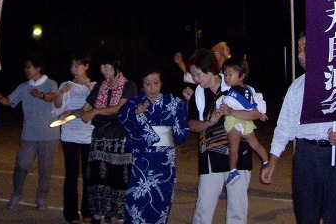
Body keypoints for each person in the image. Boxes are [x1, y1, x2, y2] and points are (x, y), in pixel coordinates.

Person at [260, 31, 336, 224]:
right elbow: (284, 127)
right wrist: (272, 161)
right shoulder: (297, 88)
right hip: (306, 156)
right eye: (299, 50)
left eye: (306, 48)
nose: (300, 55)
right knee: (306, 215)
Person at [187, 47, 263, 224]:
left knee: (237, 210)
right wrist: (208, 123)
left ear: (210, 70)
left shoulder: (236, 86)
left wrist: (232, 112)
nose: (195, 79)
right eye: (193, 75)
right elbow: (191, 124)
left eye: (198, 74)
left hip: (239, 156)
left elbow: (256, 113)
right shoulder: (198, 94)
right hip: (210, 157)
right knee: (203, 208)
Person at [119, 65, 190, 223]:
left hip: (164, 159)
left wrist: (187, 102)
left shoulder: (172, 101)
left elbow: (181, 132)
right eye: (147, 83)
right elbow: (123, 116)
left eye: (156, 83)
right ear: (142, 85)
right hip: (141, 157)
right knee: (137, 199)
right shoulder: (134, 103)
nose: (152, 88)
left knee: (161, 199)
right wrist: (136, 112)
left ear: (161, 83)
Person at [77, 49, 137, 224]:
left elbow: (120, 108)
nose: (104, 70)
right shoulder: (99, 87)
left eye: (107, 66)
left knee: (117, 180)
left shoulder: (129, 85)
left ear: (116, 65)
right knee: (97, 179)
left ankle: (114, 218)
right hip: (100, 139)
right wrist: (70, 113)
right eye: (101, 66)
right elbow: (86, 108)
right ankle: (97, 216)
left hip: (119, 139)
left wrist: (96, 111)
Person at [0, 55, 60, 210]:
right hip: (29, 134)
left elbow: (53, 97)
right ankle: (16, 194)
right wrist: (0, 98)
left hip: (49, 135)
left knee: (45, 170)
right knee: (21, 165)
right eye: (25, 67)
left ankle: (41, 199)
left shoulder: (51, 83)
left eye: (28, 67)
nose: (26, 70)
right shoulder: (23, 87)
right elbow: (9, 101)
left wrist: (41, 95)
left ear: (38, 68)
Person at [53, 52, 96, 224]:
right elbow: (58, 108)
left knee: (89, 175)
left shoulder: (94, 85)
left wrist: (88, 86)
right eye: (72, 66)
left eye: (77, 66)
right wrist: (61, 93)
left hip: (88, 135)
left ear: (86, 66)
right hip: (69, 134)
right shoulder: (66, 85)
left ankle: (88, 210)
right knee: (71, 174)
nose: (74, 69)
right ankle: (70, 213)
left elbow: (98, 104)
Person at [217, 56, 269, 186]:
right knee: (255, 144)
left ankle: (233, 171)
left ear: (241, 76)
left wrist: (220, 105)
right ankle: (266, 161)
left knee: (233, 149)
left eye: (230, 74)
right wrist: (262, 112)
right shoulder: (249, 89)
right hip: (247, 120)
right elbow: (257, 100)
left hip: (233, 121)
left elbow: (223, 104)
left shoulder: (229, 93)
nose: (227, 78)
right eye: (225, 75)